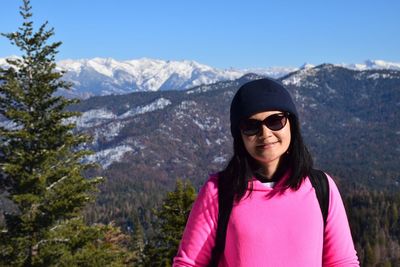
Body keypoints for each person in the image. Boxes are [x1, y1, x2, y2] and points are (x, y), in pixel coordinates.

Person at [173, 78, 359, 266]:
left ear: (291, 125)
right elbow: (188, 263)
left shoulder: (321, 188)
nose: (265, 133)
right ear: (240, 136)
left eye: (275, 121)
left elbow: (343, 262)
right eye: (251, 126)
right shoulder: (220, 191)